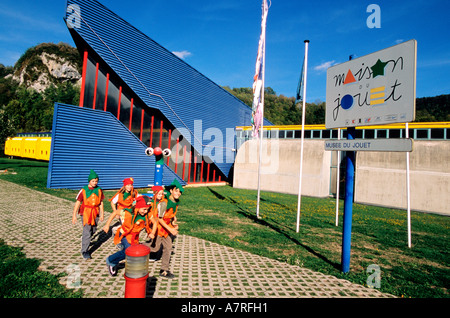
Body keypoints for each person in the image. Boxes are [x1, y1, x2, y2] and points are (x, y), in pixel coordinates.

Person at [104, 195, 154, 276]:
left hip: (134, 236)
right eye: (144, 209)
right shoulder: (127, 213)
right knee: (128, 251)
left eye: (147, 210)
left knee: (130, 251)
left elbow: (155, 222)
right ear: (138, 207)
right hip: (124, 234)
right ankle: (111, 261)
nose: (145, 211)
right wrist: (107, 225)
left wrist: (152, 232)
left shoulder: (146, 215)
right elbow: (115, 212)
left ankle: (133, 266)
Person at [152, 179, 183, 278]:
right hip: (159, 227)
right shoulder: (164, 203)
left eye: (180, 192)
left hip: (167, 228)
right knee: (155, 248)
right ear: (171, 191)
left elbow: (171, 214)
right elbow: (160, 219)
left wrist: (173, 222)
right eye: (176, 191)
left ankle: (164, 270)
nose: (178, 193)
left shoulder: (176, 202)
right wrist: (171, 230)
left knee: (168, 248)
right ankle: (137, 247)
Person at [72, 169, 105, 260]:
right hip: (86, 212)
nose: (95, 183)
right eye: (93, 181)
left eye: (96, 181)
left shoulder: (99, 190)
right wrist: (74, 215)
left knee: (93, 230)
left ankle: (86, 239)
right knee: (87, 231)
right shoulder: (83, 190)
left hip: (95, 212)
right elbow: (78, 203)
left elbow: (101, 202)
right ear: (89, 181)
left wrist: (102, 214)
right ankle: (85, 251)